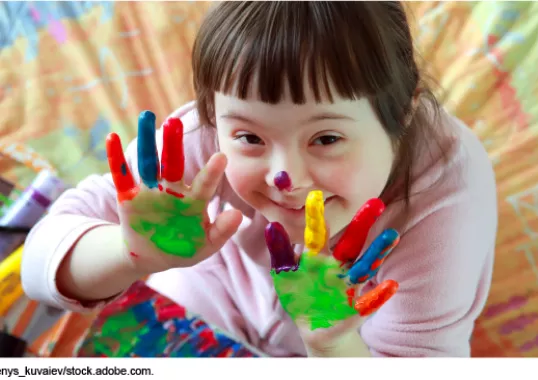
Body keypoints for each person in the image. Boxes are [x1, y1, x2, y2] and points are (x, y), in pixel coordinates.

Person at [21, 2, 497, 357]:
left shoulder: (446, 198)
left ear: (405, 112)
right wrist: (126, 253)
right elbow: (38, 265)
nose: (284, 177)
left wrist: (332, 341)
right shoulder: (201, 140)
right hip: (196, 308)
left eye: (326, 138)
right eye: (249, 136)